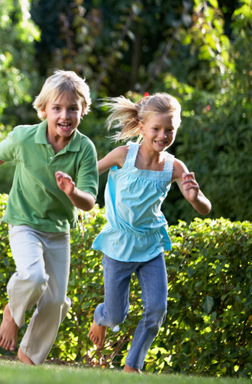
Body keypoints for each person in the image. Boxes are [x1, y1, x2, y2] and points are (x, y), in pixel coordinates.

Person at [0, 70, 98, 365]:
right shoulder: (24, 137)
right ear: (44, 110)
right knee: (33, 276)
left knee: (57, 302)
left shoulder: (85, 149)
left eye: (72, 108)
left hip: (59, 231)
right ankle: (12, 313)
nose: (65, 115)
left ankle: (29, 359)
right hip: (24, 223)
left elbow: (89, 202)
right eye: (57, 108)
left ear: (83, 110)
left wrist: (72, 192)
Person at [87, 93, 211, 373]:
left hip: (151, 247)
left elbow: (205, 207)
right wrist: (70, 188)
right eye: (156, 128)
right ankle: (101, 316)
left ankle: (133, 365)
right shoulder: (123, 155)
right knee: (117, 314)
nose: (163, 135)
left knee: (157, 309)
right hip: (119, 244)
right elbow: (90, 173)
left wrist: (194, 197)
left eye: (170, 130)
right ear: (141, 127)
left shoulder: (174, 167)